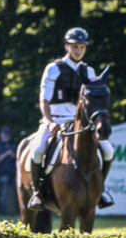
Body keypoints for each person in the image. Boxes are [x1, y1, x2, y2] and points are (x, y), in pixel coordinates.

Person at [27, 27, 114, 209]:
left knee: (108, 150)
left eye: (82, 47)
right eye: (75, 46)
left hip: (79, 124)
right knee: (37, 150)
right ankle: (37, 193)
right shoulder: (53, 69)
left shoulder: (89, 71)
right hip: (55, 119)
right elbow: (44, 100)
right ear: (67, 46)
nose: (78, 50)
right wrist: (50, 121)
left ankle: (101, 190)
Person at [0, 126, 18, 214]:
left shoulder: (14, 145)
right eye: (5, 134)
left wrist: (13, 154)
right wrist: (6, 154)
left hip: (14, 173)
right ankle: (3, 212)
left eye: (8, 134)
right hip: (3, 173)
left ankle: (16, 211)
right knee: (3, 195)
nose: (6, 136)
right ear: (1, 134)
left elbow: (18, 158)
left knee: (16, 194)